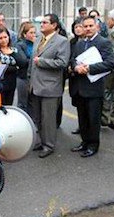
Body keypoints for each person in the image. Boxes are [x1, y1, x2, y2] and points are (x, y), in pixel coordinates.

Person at [70, 16, 114, 158]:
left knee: (93, 119)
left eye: (91, 26)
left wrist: (89, 68)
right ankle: (84, 142)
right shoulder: (79, 44)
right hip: (79, 87)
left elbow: (109, 63)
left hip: (94, 88)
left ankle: (93, 145)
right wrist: (76, 67)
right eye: (85, 26)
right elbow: (72, 60)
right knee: (82, 118)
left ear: (97, 26)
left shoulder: (104, 42)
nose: (88, 29)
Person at [28, 14, 70, 158]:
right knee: (38, 117)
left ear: (54, 25)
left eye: (45, 22)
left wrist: (42, 61)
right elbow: (32, 62)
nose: (42, 25)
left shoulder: (62, 41)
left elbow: (62, 63)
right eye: (42, 22)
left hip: (50, 87)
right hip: (35, 85)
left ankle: (49, 145)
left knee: (48, 119)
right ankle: (40, 141)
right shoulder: (38, 39)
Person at [0, 27, 28, 106]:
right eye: (0, 38)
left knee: (9, 106)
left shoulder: (14, 49)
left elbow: (22, 63)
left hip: (12, 83)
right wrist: (15, 67)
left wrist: (11, 53)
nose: (3, 40)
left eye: (5, 37)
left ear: (9, 37)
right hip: (0, 84)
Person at [68, 20, 86, 135]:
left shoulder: (88, 42)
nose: (78, 29)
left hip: (86, 75)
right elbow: (70, 56)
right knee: (78, 103)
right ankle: (81, 125)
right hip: (74, 76)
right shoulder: (72, 42)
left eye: (80, 26)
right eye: (76, 27)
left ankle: (86, 128)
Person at [16, 22, 36, 112]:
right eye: (31, 33)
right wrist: (36, 60)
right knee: (23, 103)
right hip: (23, 77)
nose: (33, 35)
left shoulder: (37, 44)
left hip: (34, 77)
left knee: (33, 103)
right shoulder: (20, 45)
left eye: (34, 33)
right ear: (25, 34)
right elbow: (22, 61)